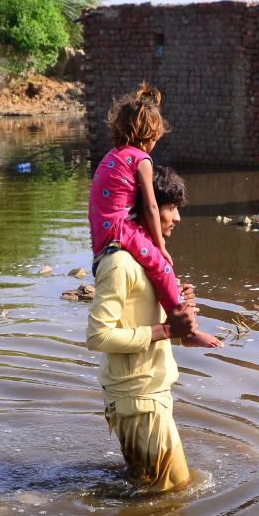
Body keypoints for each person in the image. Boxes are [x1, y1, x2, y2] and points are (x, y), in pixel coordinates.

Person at [88, 166, 220, 493]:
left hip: (145, 394)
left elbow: (137, 315)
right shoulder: (119, 264)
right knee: (175, 491)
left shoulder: (144, 259)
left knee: (147, 488)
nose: (176, 218)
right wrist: (167, 329)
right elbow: (98, 336)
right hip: (138, 399)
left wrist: (175, 307)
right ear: (145, 208)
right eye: (170, 208)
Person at [89, 84, 221, 348]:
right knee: (161, 264)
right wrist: (160, 246)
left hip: (103, 232)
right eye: (155, 139)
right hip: (119, 228)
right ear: (149, 136)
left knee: (159, 270)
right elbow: (150, 206)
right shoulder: (141, 160)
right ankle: (189, 332)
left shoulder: (111, 157)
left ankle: (180, 312)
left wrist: (176, 291)